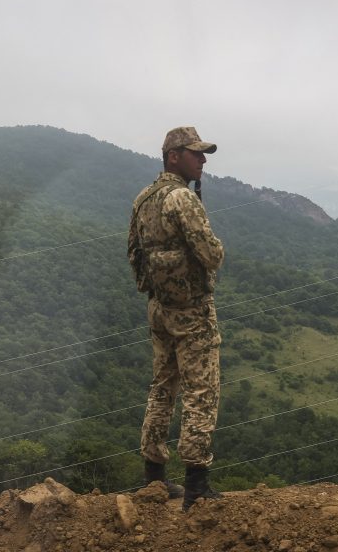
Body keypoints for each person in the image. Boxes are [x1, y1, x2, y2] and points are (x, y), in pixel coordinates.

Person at [127, 126, 225, 512]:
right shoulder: (182, 198)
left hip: (159, 309)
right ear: (173, 157)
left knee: (162, 388)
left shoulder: (143, 199)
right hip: (192, 312)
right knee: (202, 391)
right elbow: (212, 254)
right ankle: (197, 485)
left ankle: (153, 477)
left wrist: (157, 290)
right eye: (195, 154)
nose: (202, 160)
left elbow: (134, 254)